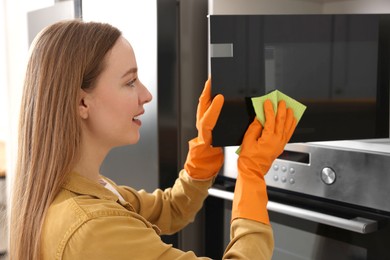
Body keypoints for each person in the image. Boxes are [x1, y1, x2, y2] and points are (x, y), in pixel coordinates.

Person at [9, 20, 297, 259]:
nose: (146, 94)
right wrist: (251, 174)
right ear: (82, 103)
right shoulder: (92, 229)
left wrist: (205, 152)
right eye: (130, 82)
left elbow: (171, 209)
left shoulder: (86, 189)